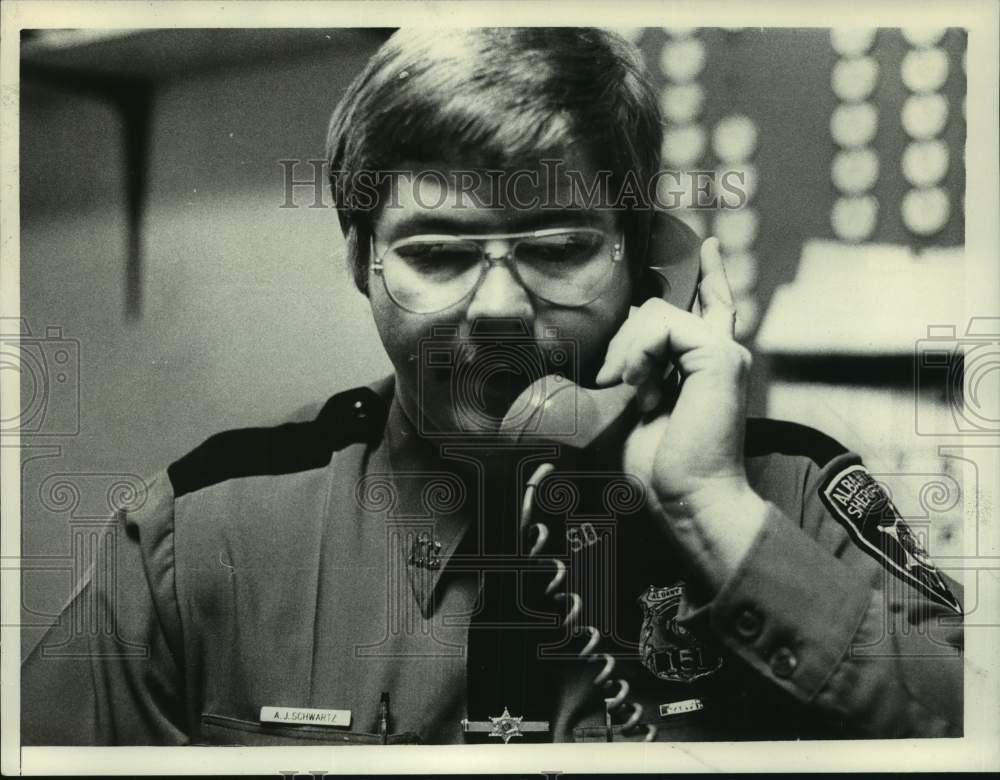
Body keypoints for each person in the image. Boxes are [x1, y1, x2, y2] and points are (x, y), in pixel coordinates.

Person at [22, 27, 963, 746]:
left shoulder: (790, 498)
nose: (502, 310)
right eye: (439, 254)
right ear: (361, 260)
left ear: (646, 262)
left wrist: (713, 512)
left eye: (560, 248)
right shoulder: (199, 538)